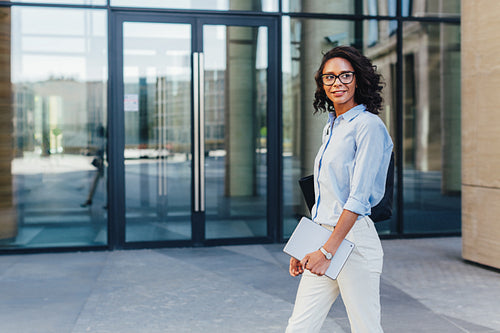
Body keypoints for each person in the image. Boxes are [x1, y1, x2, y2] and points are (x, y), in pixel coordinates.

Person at [286, 46, 393, 333]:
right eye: (329, 77)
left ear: (358, 79)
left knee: (366, 328)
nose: (338, 83)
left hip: (353, 242)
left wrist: (326, 252)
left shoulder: (368, 126)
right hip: (326, 239)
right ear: (322, 84)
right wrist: (308, 248)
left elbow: (357, 200)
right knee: (299, 327)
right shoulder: (332, 127)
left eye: (345, 75)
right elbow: (327, 198)